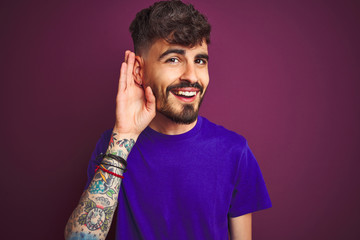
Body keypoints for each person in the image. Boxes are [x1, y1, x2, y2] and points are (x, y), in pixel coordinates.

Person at [65, 0, 272, 239]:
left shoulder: (235, 151)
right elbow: (80, 238)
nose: (192, 77)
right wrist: (124, 136)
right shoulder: (114, 146)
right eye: (173, 59)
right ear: (139, 72)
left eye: (200, 60)